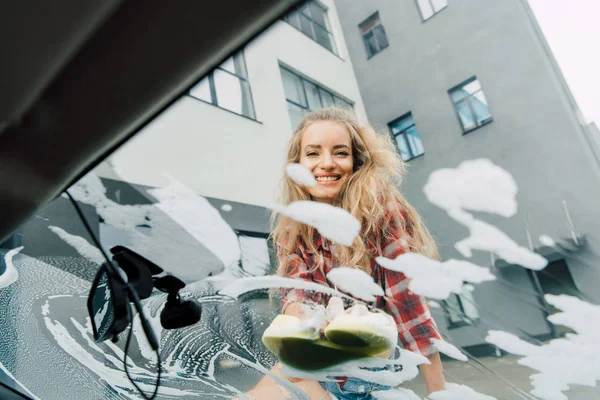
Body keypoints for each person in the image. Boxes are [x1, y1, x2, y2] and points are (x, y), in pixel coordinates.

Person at [248, 107, 445, 400]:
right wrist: (309, 317)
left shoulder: (379, 210)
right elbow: (295, 290)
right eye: (313, 154)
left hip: (364, 362)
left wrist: (438, 392)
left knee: (295, 393)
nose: (326, 164)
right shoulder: (294, 223)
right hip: (315, 350)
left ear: (356, 161)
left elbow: (408, 303)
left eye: (340, 152)